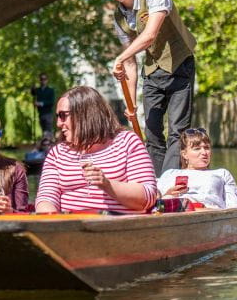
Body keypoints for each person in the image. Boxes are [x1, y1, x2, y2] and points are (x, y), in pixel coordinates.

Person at [99, 0, 197, 175]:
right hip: (153, 72)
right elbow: (130, 62)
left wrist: (122, 56)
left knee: (177, 131)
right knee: (152, 133)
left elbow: (150, 35)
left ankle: (170, 182)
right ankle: (154, 186)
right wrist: (131, 103)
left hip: (179, 64)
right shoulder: (119, 17)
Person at [35, 86, 158, 214]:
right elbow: (46, 198)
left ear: (83, 114)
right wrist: (50, 222)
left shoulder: (127, 142)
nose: (59, 124)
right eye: (58, 117)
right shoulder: (57, 154)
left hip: (119, 227)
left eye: (63, 116)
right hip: (73, 228)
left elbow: (147, 197)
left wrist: (107, 184)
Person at [157, 127, 237, 209]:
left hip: (209, 214)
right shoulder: (170, 173)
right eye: (197, 148)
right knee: (168, 199)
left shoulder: (221, 173)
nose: (204, 152)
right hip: (174, 212)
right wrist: (167, 194)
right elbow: (154, 202)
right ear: (184, 154)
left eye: (206, 148)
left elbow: (234, 205)